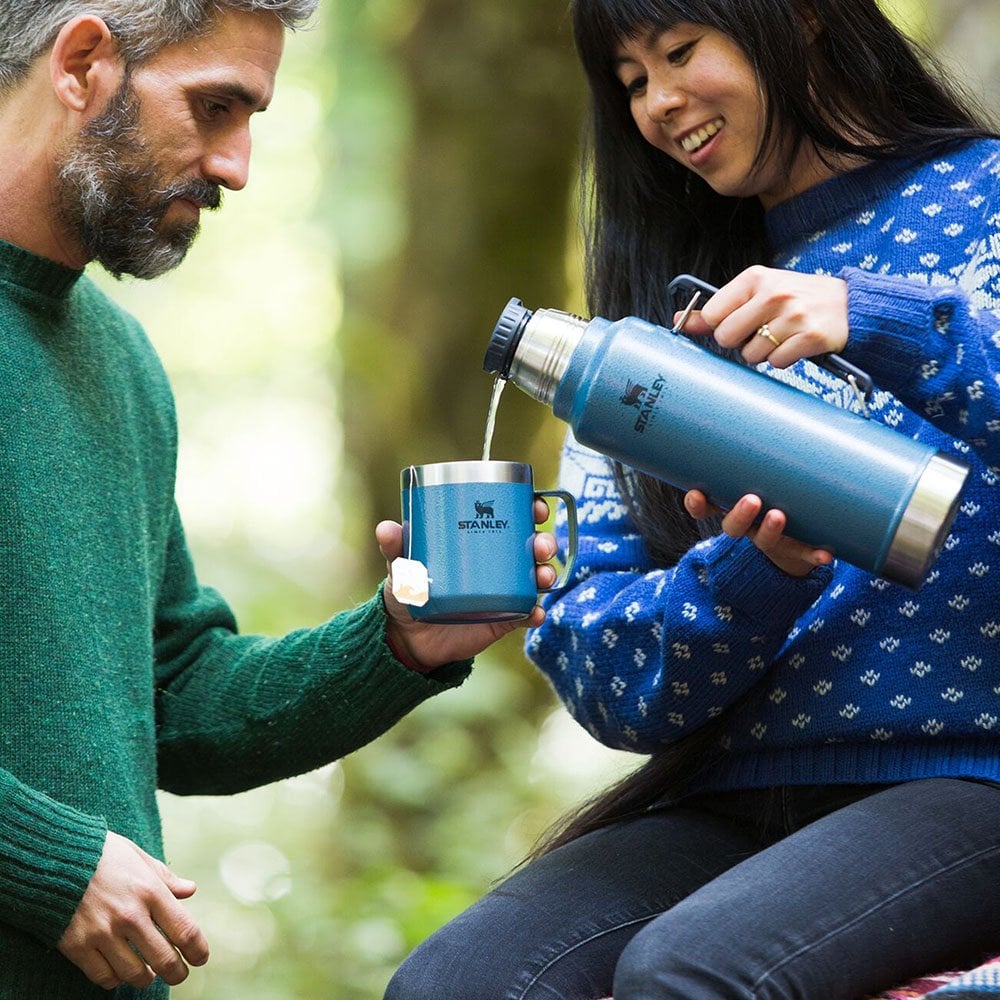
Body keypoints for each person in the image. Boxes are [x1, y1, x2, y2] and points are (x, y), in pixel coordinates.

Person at [385, 0, 1000, 997]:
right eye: (631, 82)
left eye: (679, 52)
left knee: (689, 971)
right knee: (460, 982)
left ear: (801, 18)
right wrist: (752, 576)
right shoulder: (647, 343)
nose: (659, 103)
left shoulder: (984, 200)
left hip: (971, 771)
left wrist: (878, 319)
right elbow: (598, 667)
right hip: (741, 794)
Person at [0, 2, 557, 997]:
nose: (236, 167)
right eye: (214, 107)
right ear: (82, 62)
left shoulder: (119, 362)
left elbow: (174, 698)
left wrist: (399, 642)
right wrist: (47, 861)